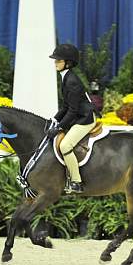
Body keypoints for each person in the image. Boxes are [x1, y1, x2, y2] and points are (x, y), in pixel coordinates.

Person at [47, 43, 96, 194]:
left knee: (65, 146)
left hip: (84, 119)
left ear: (67, 63)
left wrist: (60, 127)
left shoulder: (72, 81)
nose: (55, 62)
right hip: (77, 116)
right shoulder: (66, 78)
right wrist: (54, 120)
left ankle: (76, 182)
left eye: (58, 60)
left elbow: (73, 110)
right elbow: (65, 106)